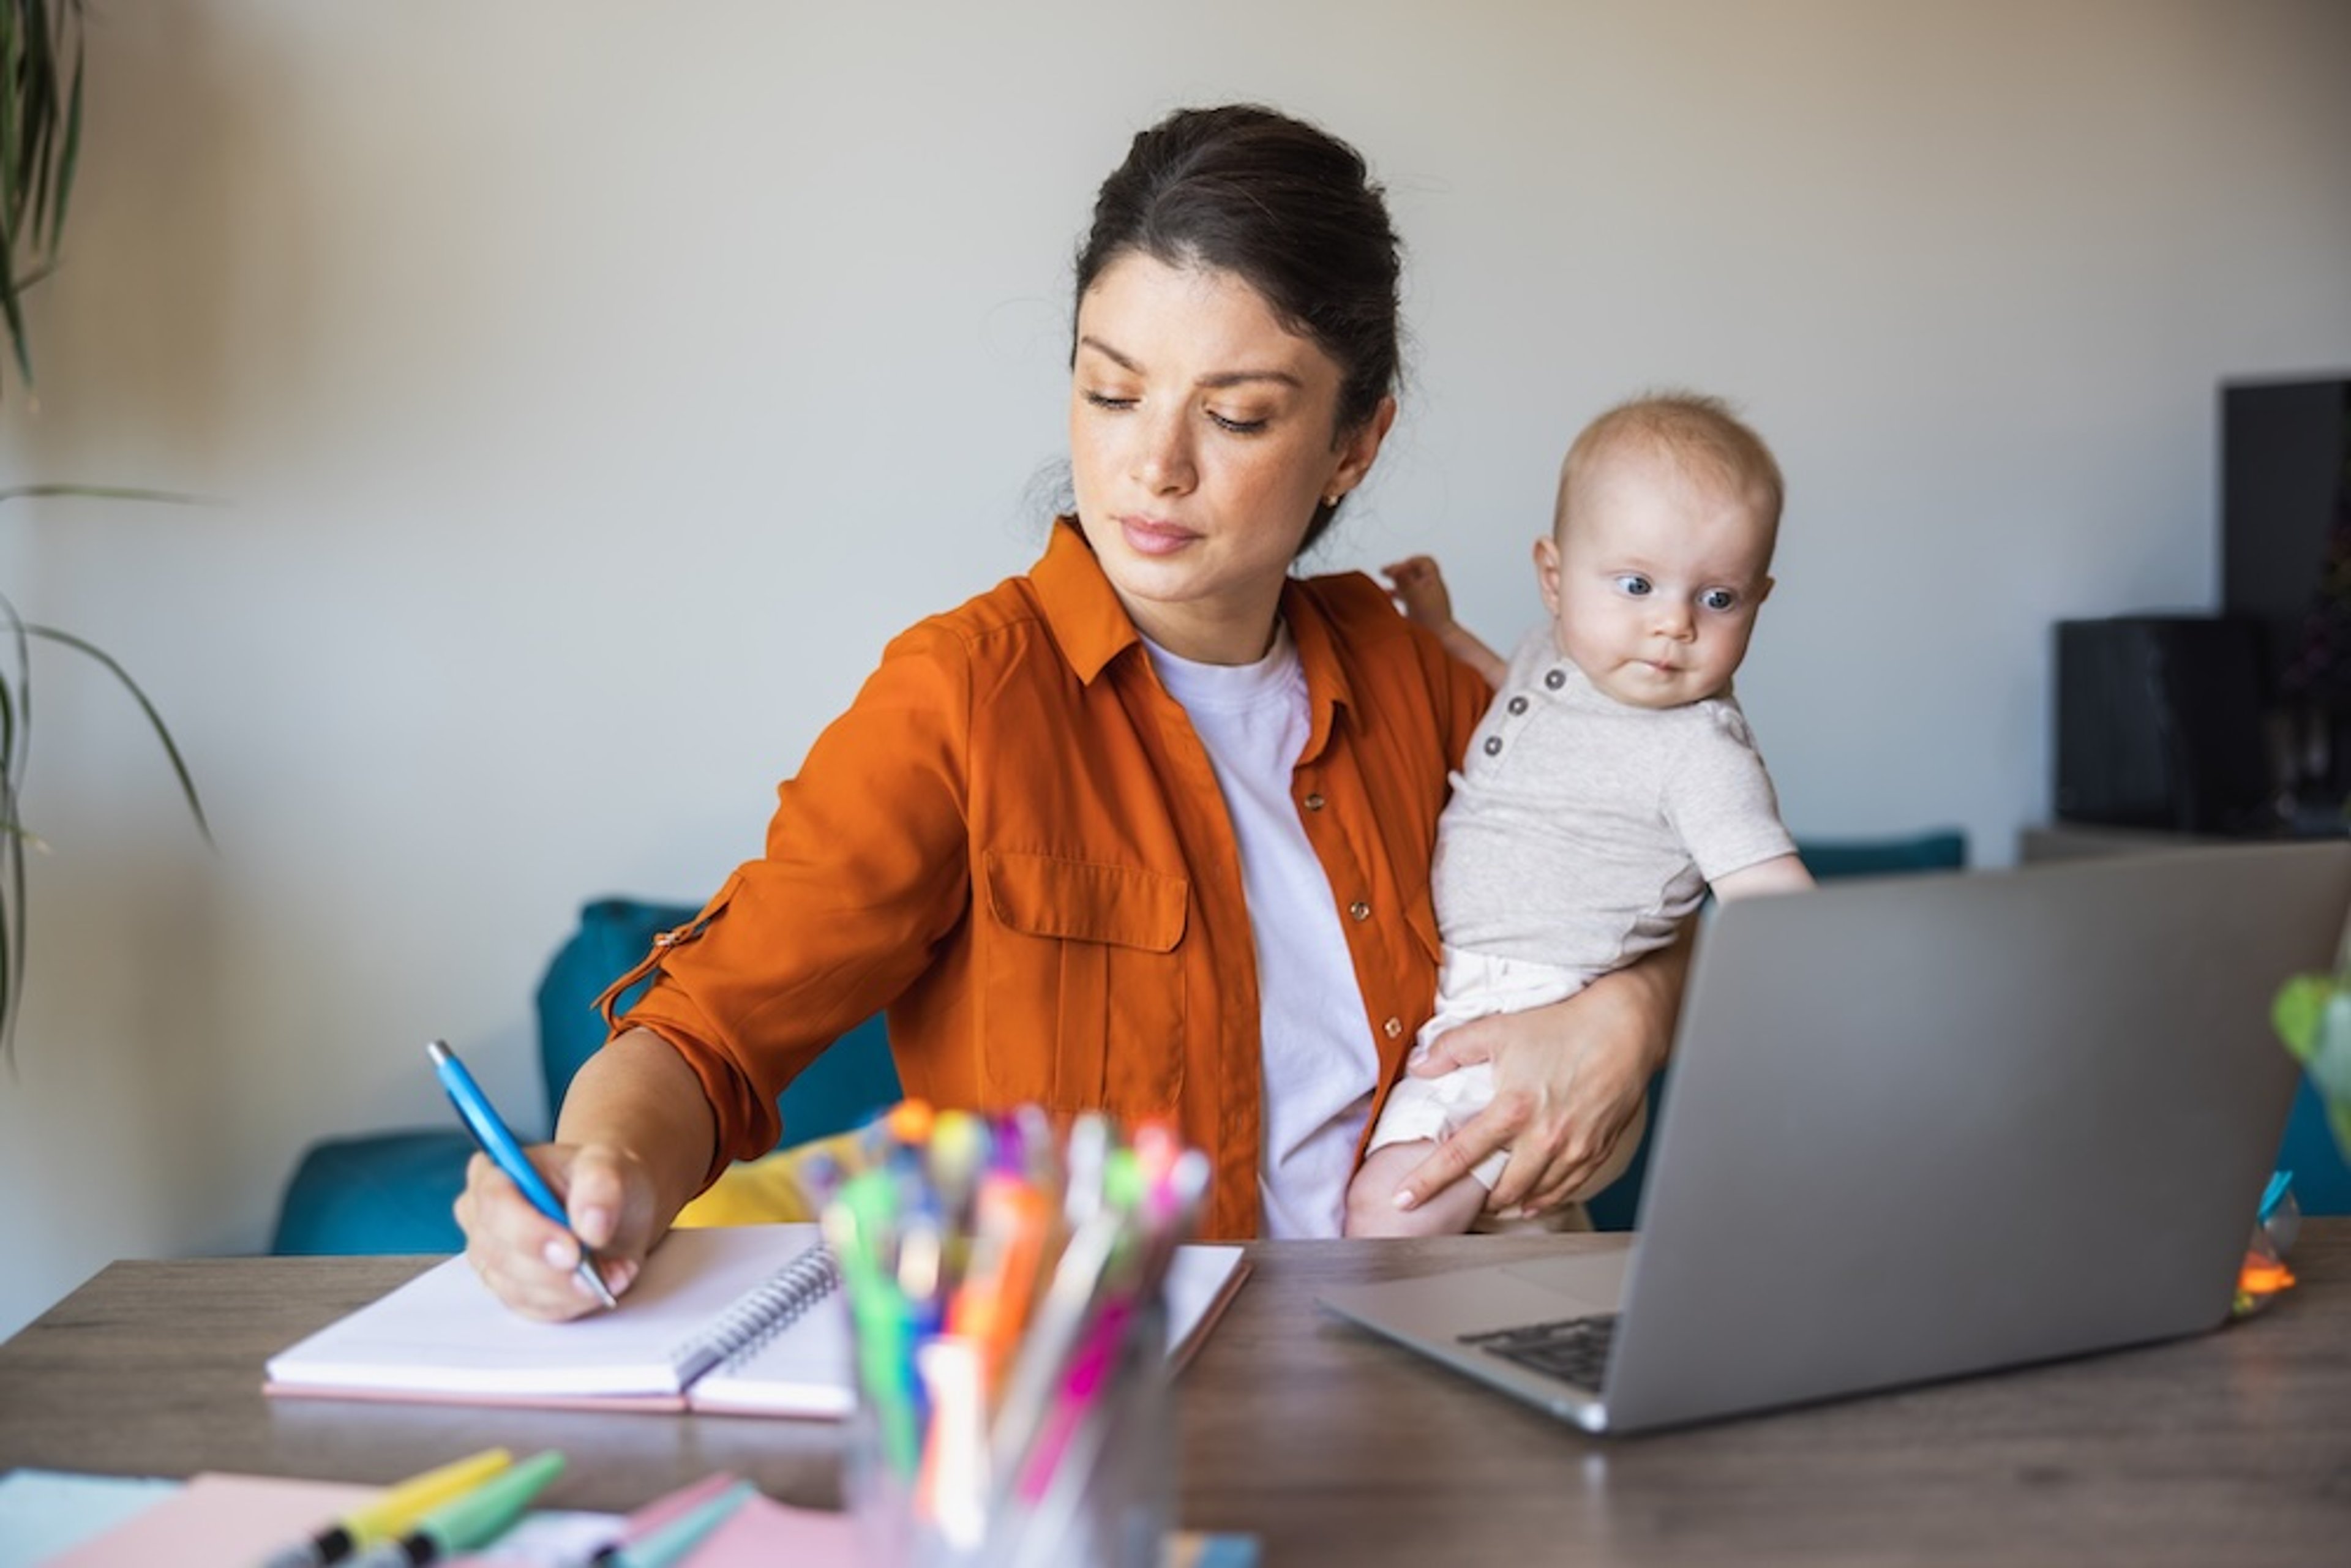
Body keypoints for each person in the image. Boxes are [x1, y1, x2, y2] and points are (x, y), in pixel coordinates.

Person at [458, 105, 1690, 1320]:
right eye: (1112, 392)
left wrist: (1628, 1020)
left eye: (1236, 415)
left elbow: (1658, 881)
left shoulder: (1426, 683)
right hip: (1113, 1396)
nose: (1155, 466)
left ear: (1354, 446)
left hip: (1446, 1364)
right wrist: (603, 1170)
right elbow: (707, 1033)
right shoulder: (962, 700)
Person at [1344, 393, 1815, 1238]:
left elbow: (1773, 897)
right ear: (1555, 579)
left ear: (1760, 600)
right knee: (1514, 1238)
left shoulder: (1699, 751)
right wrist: (1440, 628)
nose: (1673, 623)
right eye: (1637, 585)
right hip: (1477, 993)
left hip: (1546, 1005)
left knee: (1390, 1211)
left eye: (1719, 598)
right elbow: (1509, 692)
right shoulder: (1555, 655)